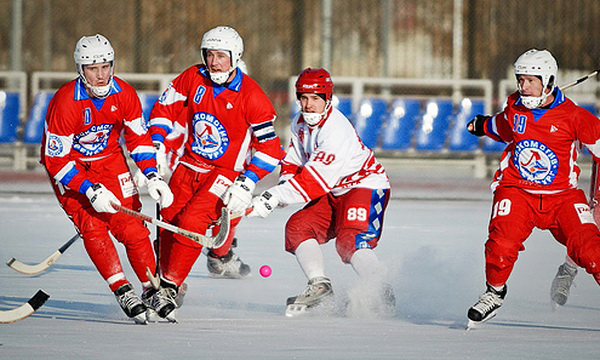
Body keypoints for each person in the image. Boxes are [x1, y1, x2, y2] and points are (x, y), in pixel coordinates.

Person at [147, 25, 284, 321]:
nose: (214, 62)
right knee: (167, 221)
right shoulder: (192, 77)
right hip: (188, 165)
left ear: (235, 57)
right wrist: (156, 144)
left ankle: (169, 287)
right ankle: (170, 281)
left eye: (221, 55)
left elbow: (271, 149)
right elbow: (163, 110)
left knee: (193, 221)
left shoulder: (251, 94)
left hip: (224, 173)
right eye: (209, 54)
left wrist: (246, 184)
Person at [41, 34, 174, 324]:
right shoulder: (65, 102)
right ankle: (122, 289)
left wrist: (152, 175)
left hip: (110, 161)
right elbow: (55, 161)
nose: (100, 75)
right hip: (71, 168)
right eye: (92, 68)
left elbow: (138, 138)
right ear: (80, 69)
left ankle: (152, 289)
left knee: (132, 226)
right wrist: (89, 190)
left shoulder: (125, 93)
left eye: (105, 66)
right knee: (94, 227)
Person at [465, 48, 600, 327]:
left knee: (590, 250)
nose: (523, 86)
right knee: (501, 243)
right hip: (517, 191)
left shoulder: (574, 116)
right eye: (520, 79)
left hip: (562, 198)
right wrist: (482, 125)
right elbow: (502, 126)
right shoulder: (515, 107)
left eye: (530, 80)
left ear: (548, 81)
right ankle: (494, 293)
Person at [248, 68, 394, 316]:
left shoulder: (336, 130)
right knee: (297, 226)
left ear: (328, 99)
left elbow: (315, 181)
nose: (309, 105)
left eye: (315, 98)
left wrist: (275, 197)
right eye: (303, 98)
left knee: (350, 240)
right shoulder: (299, 123)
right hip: (334, 191)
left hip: (364, 186)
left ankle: (380, 290)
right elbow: (293, 161)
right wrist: (284, 188)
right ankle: (319, 285)